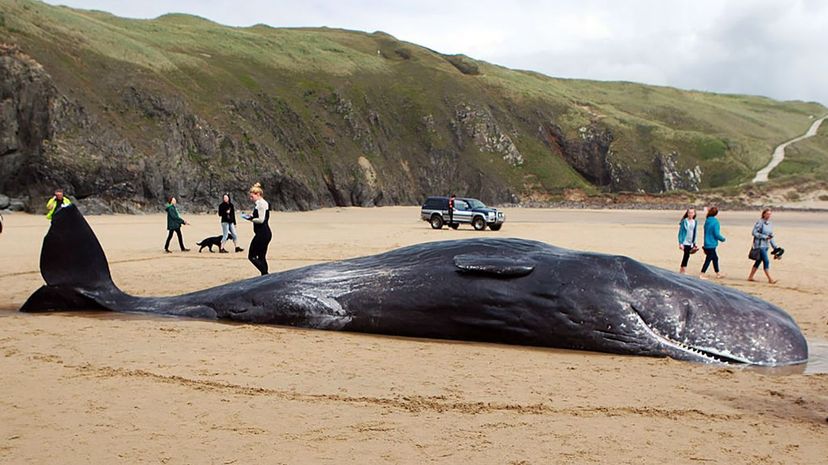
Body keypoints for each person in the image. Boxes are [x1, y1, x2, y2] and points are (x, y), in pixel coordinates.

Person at [243, 183, 272, 275]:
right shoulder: (260, 204)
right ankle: (265, 275)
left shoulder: (261, 204)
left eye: (252, 197)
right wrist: (252, 216)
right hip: (264, 233)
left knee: (252, 256)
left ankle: (265, 273)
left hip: (262, 233)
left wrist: (250, 219)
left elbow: (261, 220)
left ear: (258, 194)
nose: (251, 199)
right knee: (261, 257)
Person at [748, 208, 780, 284]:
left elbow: (771, 237)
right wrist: (764, 237)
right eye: (767, 214)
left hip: (766, 246)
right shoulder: (759, 222)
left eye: (770, 214)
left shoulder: (770, 224)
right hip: (759, 246)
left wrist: (775, 247)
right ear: (764, 214)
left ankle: (750, 277)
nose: (769, 215)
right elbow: (754, 233)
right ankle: (770, 279)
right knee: (766, 261)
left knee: (758, 261)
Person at [699, 206, 726, 279]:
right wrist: (722, 239)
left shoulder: (707, 220)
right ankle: (702, 273)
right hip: (711, 244)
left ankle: (718, 273)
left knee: (715, 258)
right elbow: (716, 234)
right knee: (708, 259)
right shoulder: (715, 222)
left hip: (706, 243)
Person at [677, 207, 698, 274]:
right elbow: (681, 232)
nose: (690, 214)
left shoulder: (695, 222)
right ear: (687, 213)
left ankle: (682, 269)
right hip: (684, 241)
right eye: (689, 213)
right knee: (686, 255)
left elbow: (695, 232)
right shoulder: (684, 221)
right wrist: (680, 243)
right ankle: (683, 270)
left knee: (687, 255)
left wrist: (694, 243)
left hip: (691, 241)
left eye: (692, 213)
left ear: (694, 214)